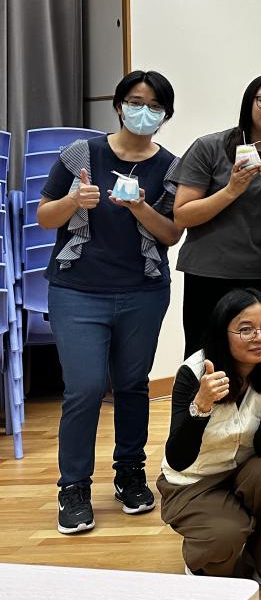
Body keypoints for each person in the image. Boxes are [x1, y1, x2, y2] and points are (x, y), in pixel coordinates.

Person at [37, 70, 183, 534]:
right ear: (119, 105)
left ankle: (130, 474)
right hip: (77, 290)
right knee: (83, 388)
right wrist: (74, 201)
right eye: (136, 102)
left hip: (143, 290)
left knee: (133, 384)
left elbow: (171, 234)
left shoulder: (172, 167)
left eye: (155, 106)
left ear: (165, 115)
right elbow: (44, 217)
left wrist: (140, 207)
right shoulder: (81, 154)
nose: (144, 112)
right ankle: (73, 486)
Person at [158, 288, 261, 584]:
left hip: (247, 471)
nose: (260, 337)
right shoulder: (195, 372)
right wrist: (201, 405)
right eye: (246, 329)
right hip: (194, 481)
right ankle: (204, 559)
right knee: (224, 538)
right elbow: (178, 458)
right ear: (222, 332)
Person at [174, 73, 261, 356]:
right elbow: (183, 215)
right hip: (211, 274)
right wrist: (231, 190)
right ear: (249, 102)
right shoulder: (210, 147)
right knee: (207, 359)